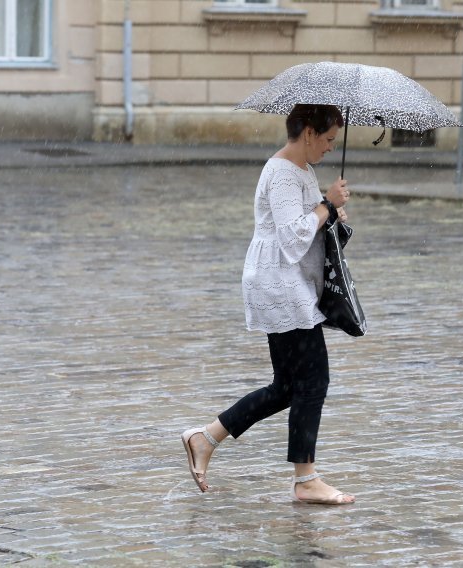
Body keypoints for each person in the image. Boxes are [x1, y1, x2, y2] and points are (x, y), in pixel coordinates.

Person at [181, 104, 355, 505]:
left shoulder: (303, 172)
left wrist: (332, 215)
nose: (330, 148)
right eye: (328, 139)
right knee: (313, 381)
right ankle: (306, 480)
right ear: (308, 132)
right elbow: (293, 238)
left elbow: (308, 227)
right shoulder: (280, 173)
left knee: (287, 387)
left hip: (289, 282)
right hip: (280, 284)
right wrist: (325, 205)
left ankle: (205, 438)